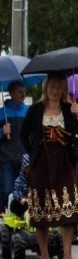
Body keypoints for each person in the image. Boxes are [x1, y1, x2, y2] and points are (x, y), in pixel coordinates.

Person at [20, 73, 78, 259]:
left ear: (64, 89)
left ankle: (68, 256)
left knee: (68, 210)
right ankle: (45, 258)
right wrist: (34, 154)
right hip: (42, 166)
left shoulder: (70, 110)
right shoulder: (35, 110)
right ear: (46, 88)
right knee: (40, 212)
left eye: (59, 87)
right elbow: (23, 134)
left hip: (65, 165)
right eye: (52, 87)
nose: (55, 91)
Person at [0, 81, 28, 214]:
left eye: (24, 91)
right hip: (6, 158)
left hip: (24, 159)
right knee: (7, 190)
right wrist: (2, 132)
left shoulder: (28, 111)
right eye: (19, 91)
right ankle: (4, 218)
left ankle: (22, 217)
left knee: (24, 190)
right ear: (11, 93)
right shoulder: (2, 113)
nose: (23, 94)